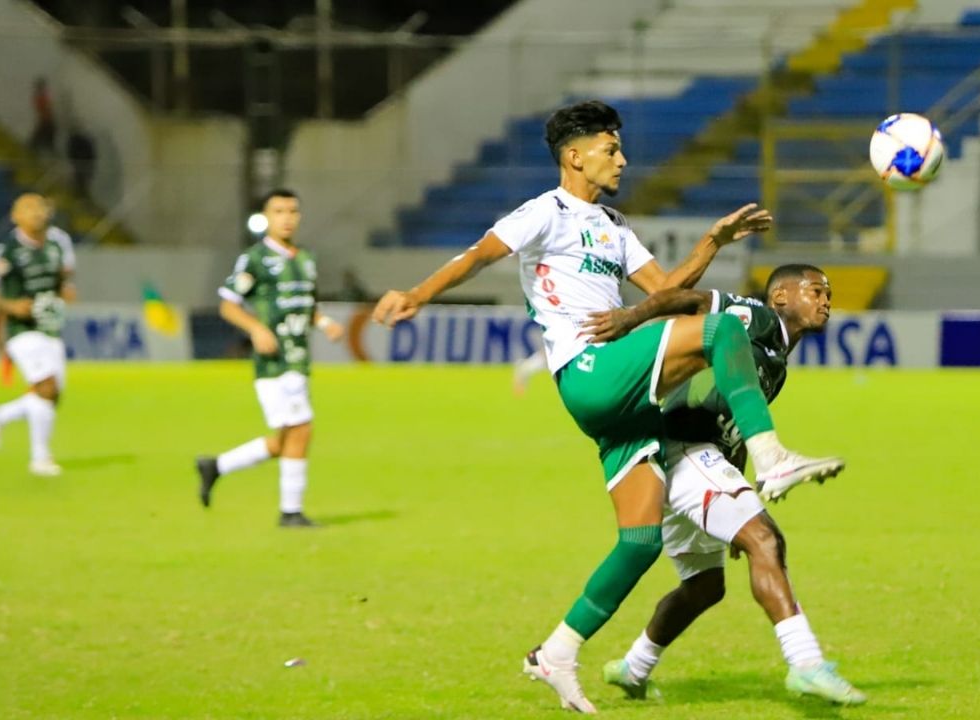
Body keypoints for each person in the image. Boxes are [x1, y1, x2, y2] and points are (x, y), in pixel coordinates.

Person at [371, 100, 844, 713]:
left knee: (641, 542)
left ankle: (556, 653)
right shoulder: (546, 211)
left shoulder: (615, 226)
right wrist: (418, 293)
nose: (622, 158)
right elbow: (479, 255)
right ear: (575, 156)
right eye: (610, 149)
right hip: (589, 368)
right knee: (723, 329)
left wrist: (712, 240)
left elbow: (667, 293)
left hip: (629, 406)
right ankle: (772, 457)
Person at [584, 265, 866, 706]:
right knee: (766, 540)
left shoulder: (778, 364)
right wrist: (631, 316)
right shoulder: (760, 320)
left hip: (691, 460)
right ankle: (806, 664)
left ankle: (632, 668)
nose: (825, 301)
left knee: (705, 586)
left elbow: (732, 427)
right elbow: (691, 299)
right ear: (781, 298)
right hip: (682, 450)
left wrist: (737, 497)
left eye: (828, 294)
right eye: (815, 292)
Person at [194, 189, 344, 528]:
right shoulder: (256, 259)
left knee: (285, 439)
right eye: (279, 211)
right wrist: (256, 330)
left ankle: (216, 467)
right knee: (301, 430)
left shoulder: (305, 258)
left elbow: (304, 305)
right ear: (267, 217)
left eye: (292, 211)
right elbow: (228, 305)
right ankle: (290, 512)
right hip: (274, 363)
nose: (287, 217)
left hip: (299, 358)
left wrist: (322, 322)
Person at [0, 194, 76, 476]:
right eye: (28, 209)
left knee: (51, 395)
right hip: (21, 330)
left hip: (50, 327)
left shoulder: (59, 243)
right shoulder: (8, 250)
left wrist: (64, 290)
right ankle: (40, 459)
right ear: (15, 216)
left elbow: (64, 277)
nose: (36, 213)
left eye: (40, 207)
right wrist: (9, 305)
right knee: (47, 388)